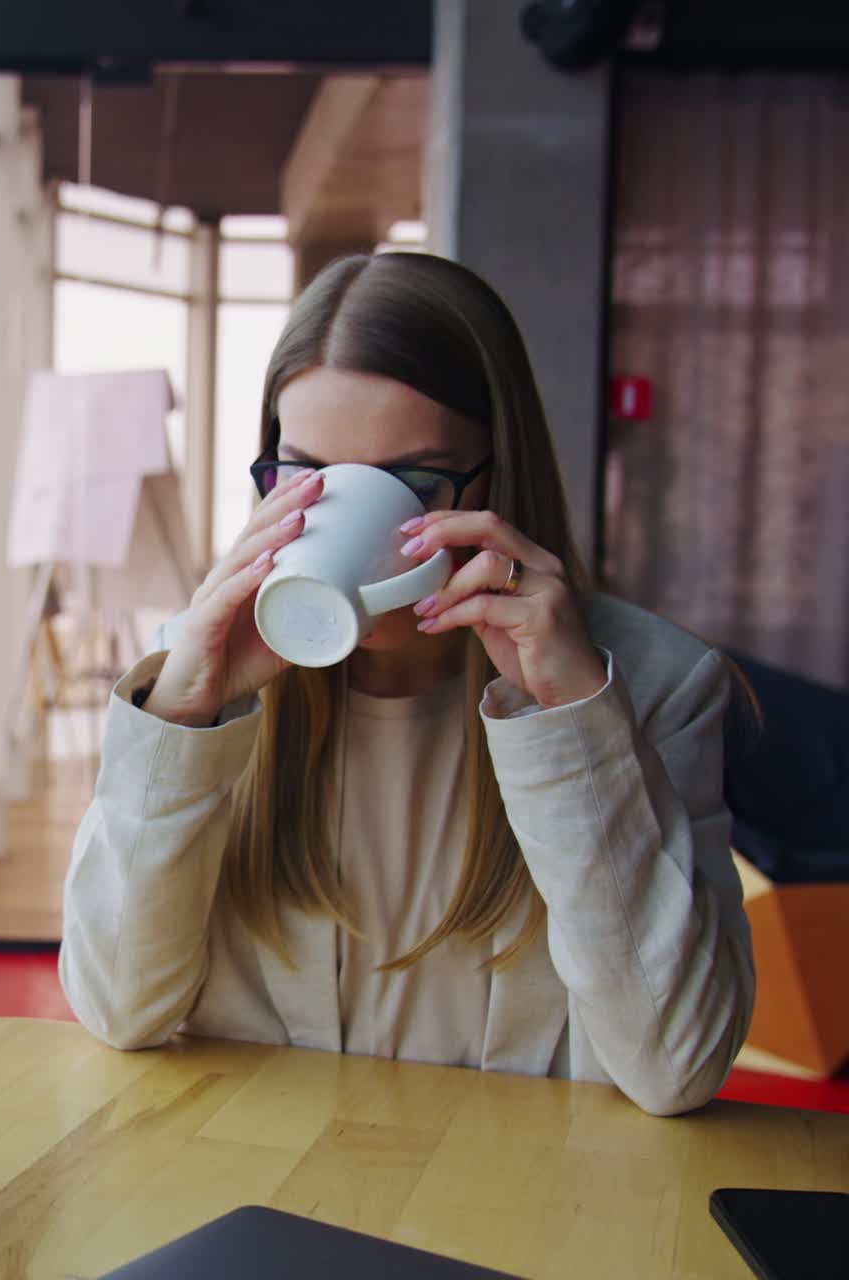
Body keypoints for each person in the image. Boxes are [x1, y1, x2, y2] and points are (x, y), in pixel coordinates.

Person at [58, 251, 755, 1116]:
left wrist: (572, 718)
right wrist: (184, 718)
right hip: (262, 1193)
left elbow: (676, 1067)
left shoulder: (647, 687)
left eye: (413, 483)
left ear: (500, 476)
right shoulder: (199, 684)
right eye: (308, 476)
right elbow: (119, 1009)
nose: (353, 522)